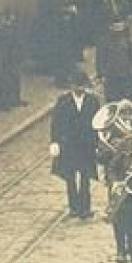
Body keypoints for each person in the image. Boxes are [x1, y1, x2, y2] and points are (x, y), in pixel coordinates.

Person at [49, 68, 102, 219]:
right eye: (76, 85)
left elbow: (98, 123)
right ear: (71, 85)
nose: (79, 88)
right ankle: (74, 206)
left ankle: (85, 208)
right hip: (69, 145)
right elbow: (55, 123)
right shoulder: (63, 101)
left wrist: (99, 143)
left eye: (81, 85)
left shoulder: (93, 101)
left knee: (86, 178)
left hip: (87, 145)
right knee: (70, 178)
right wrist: (54, 142)